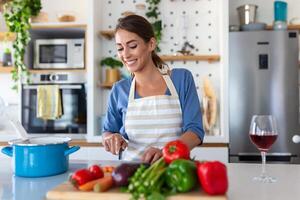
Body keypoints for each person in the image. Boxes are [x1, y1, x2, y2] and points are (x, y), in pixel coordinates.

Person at [102, 15, 204, 164]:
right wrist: (111, 138)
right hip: (132, 176)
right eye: (120, 48)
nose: (125, 54)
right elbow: (108, 131)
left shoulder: (181, 79)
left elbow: (195, 132)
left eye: (132, 46)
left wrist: (166, 152)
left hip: (176, 172)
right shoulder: (119, 90)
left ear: (151, 44)